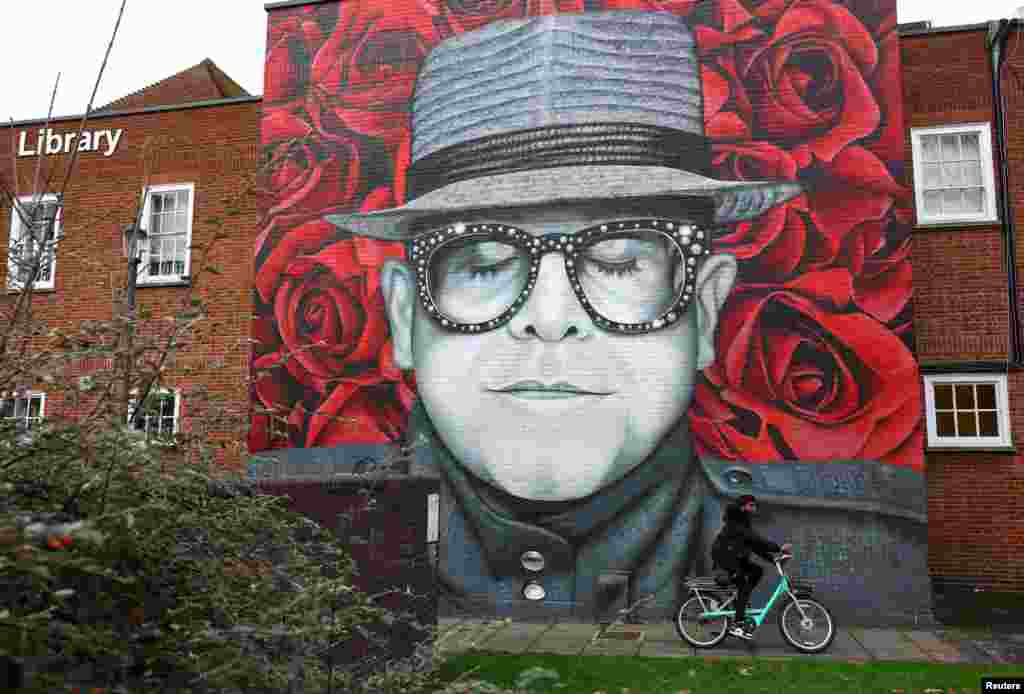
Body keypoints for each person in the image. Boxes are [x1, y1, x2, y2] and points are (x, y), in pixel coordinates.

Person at [324, 11, 929, 619]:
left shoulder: (872, 558)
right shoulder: (287, 526)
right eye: (483, 263)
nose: (550, 315)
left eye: (618, 261)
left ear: (706, 310)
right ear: (404, 317)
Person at [712, 494, 791, 640]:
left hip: (735, 557)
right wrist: (779, 548)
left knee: (757, 571)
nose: (754, 508)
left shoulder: (743, 522)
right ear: (743, 506)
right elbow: (756, 540)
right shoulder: (735, 523)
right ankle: (738, 624)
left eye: (754, 505)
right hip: (726, 558)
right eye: (751, 505)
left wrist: (773, 560)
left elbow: (753, 545)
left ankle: (741, 602)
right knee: (743, 584)